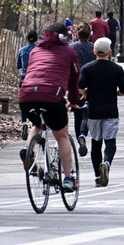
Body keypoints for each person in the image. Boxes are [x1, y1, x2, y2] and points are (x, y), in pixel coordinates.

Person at [19, 23, 80, 193]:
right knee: (62, 137)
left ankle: (28, 149)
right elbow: (74, 82)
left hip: (26, 96)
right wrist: (74, 101)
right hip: (52, 97)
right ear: (63, 37)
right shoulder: (69, 52)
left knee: (37, 125)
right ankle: (68, 179)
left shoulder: (35, 51)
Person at [79, 37, 124, 187]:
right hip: (111, 111)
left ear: (94, 52)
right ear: (110, 52)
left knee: (96, 143)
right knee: (110, 142)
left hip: (93, 112)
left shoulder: (87, 68)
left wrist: (86, 92)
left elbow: (80, 86)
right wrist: (116, 93)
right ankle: (106, 163)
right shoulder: (117, 69)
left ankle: (96, 176)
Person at [70, 23, 96, 157]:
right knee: (87, 113)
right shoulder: (94, 48)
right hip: (91, 84)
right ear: (90, 34)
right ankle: (83, 133)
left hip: (76, 84)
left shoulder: (72, 47)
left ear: (77, 34)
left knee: (77, 114)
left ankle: (80, 141)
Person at [15, 30, 37, 140]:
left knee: (24, 101)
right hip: (36, 79)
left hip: (24, 79)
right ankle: (34, 123)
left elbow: (18, 65)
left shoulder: (22, 50)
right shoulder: (39, 50)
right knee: (35, 101)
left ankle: (24, 123)